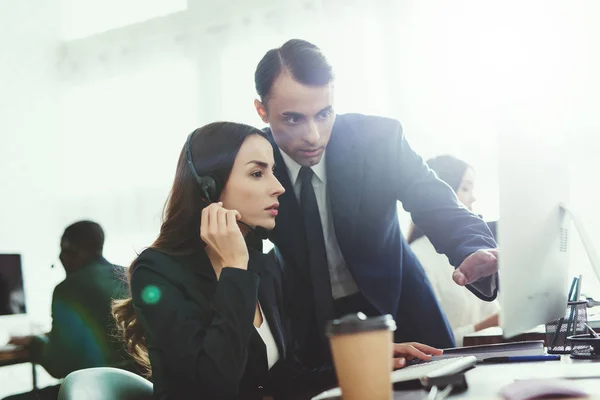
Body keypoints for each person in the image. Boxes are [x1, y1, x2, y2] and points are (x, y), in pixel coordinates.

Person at [112, 122, 443, 400]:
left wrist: (365, 361)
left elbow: (286, 378)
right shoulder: (157, 272)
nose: (279, 187)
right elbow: (214, 384)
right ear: (208, 189)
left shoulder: (263, 268)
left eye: (272, 171)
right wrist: (233, 269)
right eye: (257, 174)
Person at [253, 39, 499, 367]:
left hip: (399, 302)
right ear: (262, 111)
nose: (313, 135)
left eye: (324, 113)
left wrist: (471, 246)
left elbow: (433, 198)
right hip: (312, 322)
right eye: (294, 119)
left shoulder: (377, 140)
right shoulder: (251, 161)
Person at [5, 221, 132, 400]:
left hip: (95, 390)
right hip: (134, 388)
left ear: (72, 249)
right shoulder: (127, 276)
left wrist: (35, 342)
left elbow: (58, 366)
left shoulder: (67, 289)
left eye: (63, 250)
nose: (60, 257)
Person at [407, 155, 500, 346]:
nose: (473, 197)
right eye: (465, 188)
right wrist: (490, 324)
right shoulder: (417, 258)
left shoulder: (473, 254)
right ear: (442, 193)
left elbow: (494, 315)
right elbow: (429, 343)